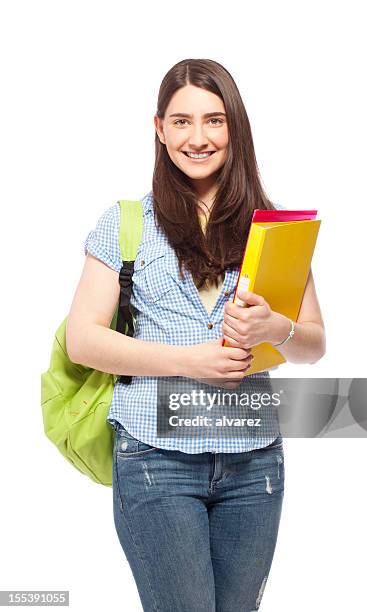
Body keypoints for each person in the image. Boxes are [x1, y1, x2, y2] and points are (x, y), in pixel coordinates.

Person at [66, 58, 325, 612]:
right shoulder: (126, 222)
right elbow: (82, 340)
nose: (198, 138)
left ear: (235, 126)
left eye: (214, 120)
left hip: (254, 462)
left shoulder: (272, 224)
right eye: (181, 122)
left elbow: (313, 342)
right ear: (159, 130)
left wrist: (276, 328)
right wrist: (191, 361)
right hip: (156, 461)